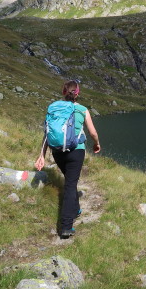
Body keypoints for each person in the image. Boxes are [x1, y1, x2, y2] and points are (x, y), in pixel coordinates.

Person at [35, 80, 100, 237]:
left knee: (70, 181)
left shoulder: (54, 108)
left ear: (64, 92)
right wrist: (97, 143)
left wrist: (41, 155)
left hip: (57, 151)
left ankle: (75, 209)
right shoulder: (82, 109)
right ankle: (66, 226)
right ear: (77, 93)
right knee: (70, 185)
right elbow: (92, 133)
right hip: (75, 151)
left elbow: (47, 133)